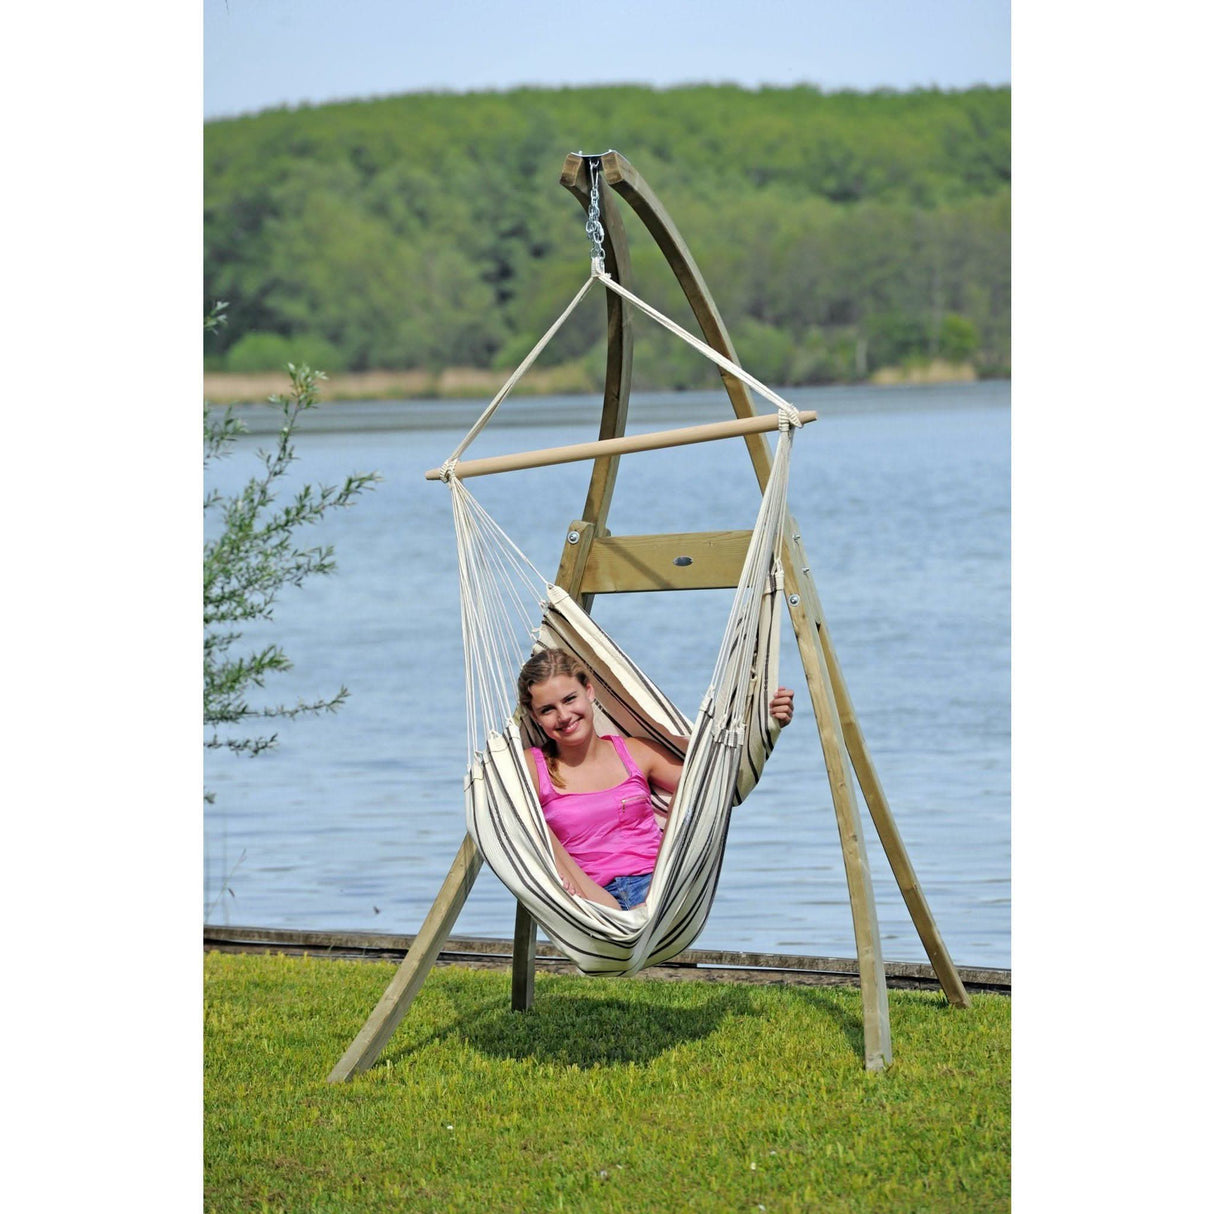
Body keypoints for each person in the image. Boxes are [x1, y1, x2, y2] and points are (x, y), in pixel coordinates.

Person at [517, 647, 795, 911]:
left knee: (688, 795)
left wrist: (765, 725)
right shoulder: (530, 766)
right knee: (534, 825)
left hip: (657, 890)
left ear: (589, 691)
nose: (564, 716)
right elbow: (508, 821)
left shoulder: (635, 752)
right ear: (535, 716)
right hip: (586, 900)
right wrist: (594, 898)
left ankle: (647, 911)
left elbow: (718, 784)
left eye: (569, 699)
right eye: (547, 710)